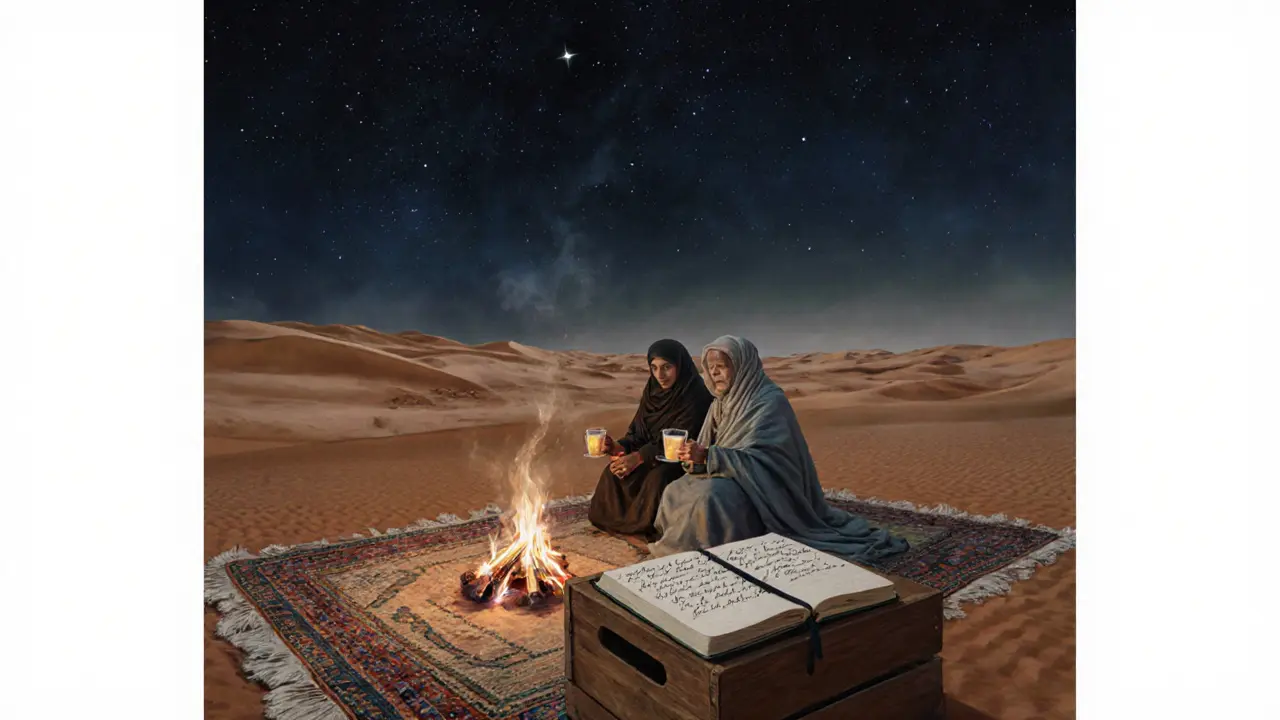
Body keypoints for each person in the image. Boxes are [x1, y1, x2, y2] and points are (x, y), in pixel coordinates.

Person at [649, 335, 909, 562]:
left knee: (710, 498)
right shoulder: (721, 402)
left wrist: (710, 456)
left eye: (722, 367)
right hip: (727, 472)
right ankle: (688, 549)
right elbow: (707, 443)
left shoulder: (768, 401)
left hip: (764, 485)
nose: (714, 373)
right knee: (675, 489)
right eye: (711, 368)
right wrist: (693, 456)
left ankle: (717, 555)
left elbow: (768, 460)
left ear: (742, 367)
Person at [587, 339, 715, 539]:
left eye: (667, 368)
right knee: (613, 473)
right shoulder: (652, 390)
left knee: (657, 479)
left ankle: (643, 528)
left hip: (684, 458)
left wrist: (639, 458)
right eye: (654, 368)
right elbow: (638, 432)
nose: (660, 375)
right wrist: (618, 446)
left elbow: (685, 436)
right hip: (649, 454)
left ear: (680, 366)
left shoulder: (695, 393)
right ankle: (619, 525)